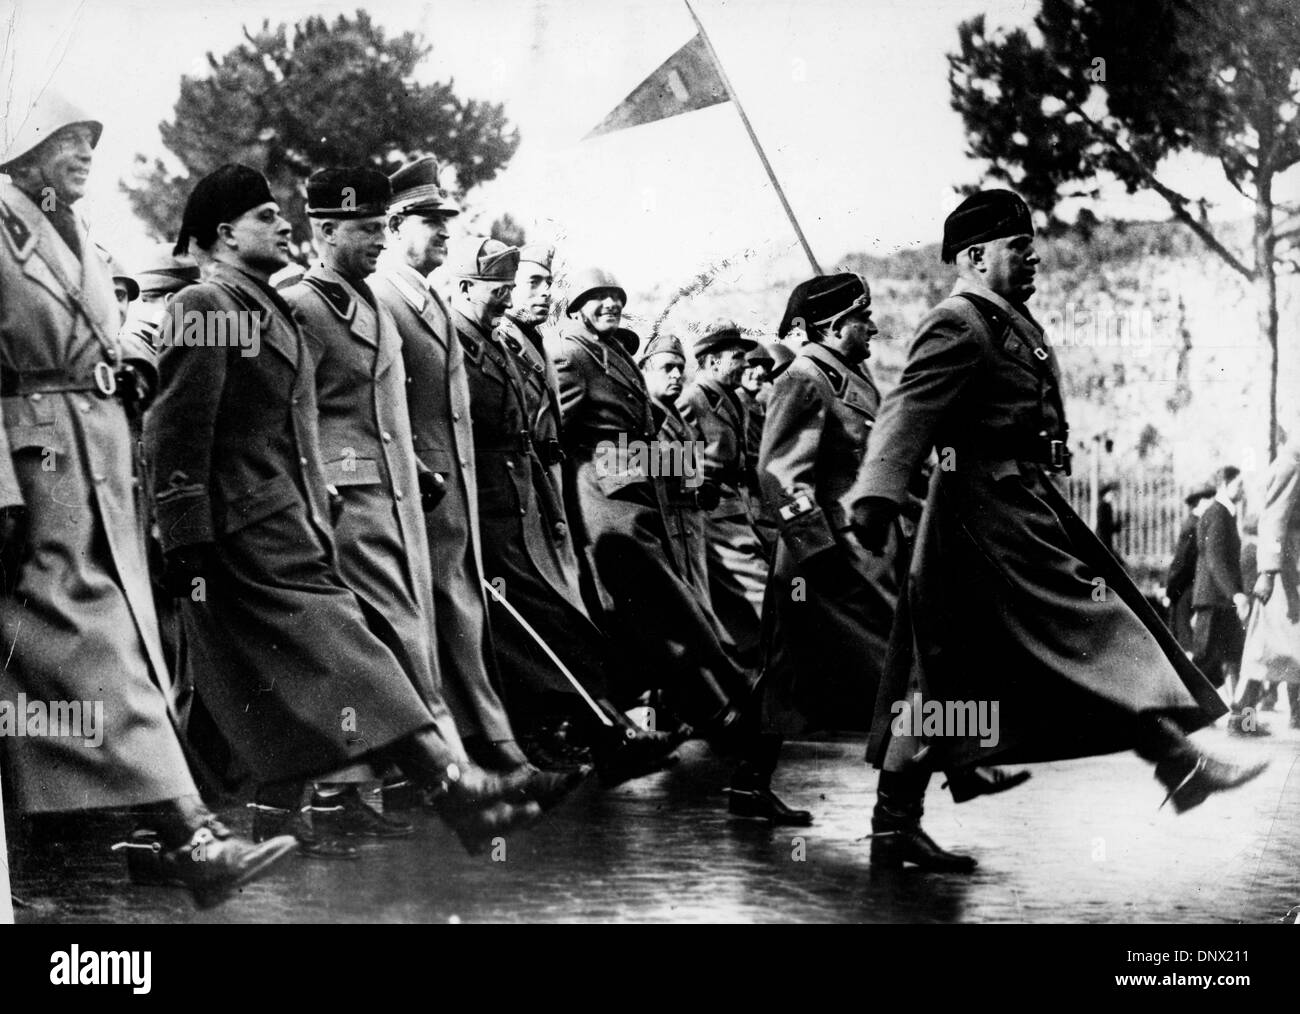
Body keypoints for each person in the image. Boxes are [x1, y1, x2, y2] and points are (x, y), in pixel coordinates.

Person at [847, 189, 1265, 871]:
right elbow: (906, 412)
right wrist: (876, 494)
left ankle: (894, 827)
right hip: (987, 516)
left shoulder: (1007, 321)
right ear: (978, 256)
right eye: (1020, 245)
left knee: (936, 678)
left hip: (1018, 507)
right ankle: (1177, 762)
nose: (1035, 256)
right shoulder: (958, 323)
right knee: (1098, 625)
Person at [144, 163, 543, 857]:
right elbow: (177, 429)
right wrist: (186, 536)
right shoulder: (204, 308)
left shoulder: (266, 307)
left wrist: (319, 498)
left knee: (246, 694)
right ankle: (457, 789)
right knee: (351, 660)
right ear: (224, 235)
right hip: (243, 534)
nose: (282, 225)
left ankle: (187, 837)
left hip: (294, 523)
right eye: (265, 217)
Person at [0, 96, 296, 906]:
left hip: (92, 463)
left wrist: (126, 363)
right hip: (36, 471)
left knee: (80, 668)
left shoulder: (72, 234)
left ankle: (93, 855)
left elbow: (108, 324)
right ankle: (189, 834)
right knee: (98, 656)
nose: (85, 152)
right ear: (23, 150)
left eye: (91, 140)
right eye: (67, 141)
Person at [449, 238, 672, 783]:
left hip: (545, 502)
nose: (538, 293)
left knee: (568, 620)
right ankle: (597, 731)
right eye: (528, 284)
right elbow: (562, 438)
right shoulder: (539, 350)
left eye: (543, 283)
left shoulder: (528, 346)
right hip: (517, 505)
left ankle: (582, 734)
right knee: (547, 622)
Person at [372, 158, 549, 800]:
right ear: (394, 226)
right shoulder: (381, 295)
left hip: (452, 494)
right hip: (412, 493)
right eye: (431, 220)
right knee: (421, 629)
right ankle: (456, 768)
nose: (447, 232)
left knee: (459, 622)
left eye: (449, 220)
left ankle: (495, 757)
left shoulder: (427, 296)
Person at [554, 269, 752, 740]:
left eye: (616, 298)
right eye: (598, 298)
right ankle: (709, 707)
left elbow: (643, 436)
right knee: (643, 610)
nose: (609, 306)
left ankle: (710, 705)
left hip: (634, 493)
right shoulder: (569, 354)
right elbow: (552, 428)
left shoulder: (613, 354)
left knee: (659, 608)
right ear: (578, 304)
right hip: (602, 496)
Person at [677, 320, 771, 666]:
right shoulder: (694, 399)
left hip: (739, 510)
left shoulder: (730, 400)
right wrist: (700, 484)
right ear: (713, 361)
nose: (746, 365)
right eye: (738, 357)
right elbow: (670, 450)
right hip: (714, 515)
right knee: (761, 595)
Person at [1236, 437, 1300, 730]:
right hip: (1284, 574)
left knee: (1273, 650)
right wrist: (1269, 572)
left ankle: (1292, 716)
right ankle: (1244, 719)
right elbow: (1273, 517)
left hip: (1289, 570)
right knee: (1266, 652)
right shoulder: (1291, 464)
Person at [1191, 465, 1251, 707]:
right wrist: (1235, 594)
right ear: (1225, 485)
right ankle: (1185, 711)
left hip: (1218, 599)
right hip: (1215, 600)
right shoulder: (1218, 514)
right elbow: (1215, 559)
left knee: (1233, 657)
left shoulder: (1224, 513)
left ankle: (1239, 714)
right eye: (1239, 484)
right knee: (1207, 661)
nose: (1242, 489)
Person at [1165, 484, 1215, 653]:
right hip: (1185, 585)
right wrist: (1172, 589)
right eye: (1209, 499)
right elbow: (1183, 561)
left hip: (1190, 584)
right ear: (1200, 502)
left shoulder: (1198, 523)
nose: (1212, 503)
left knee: (1187, 634)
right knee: (1185, 636)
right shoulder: (1193, 526)